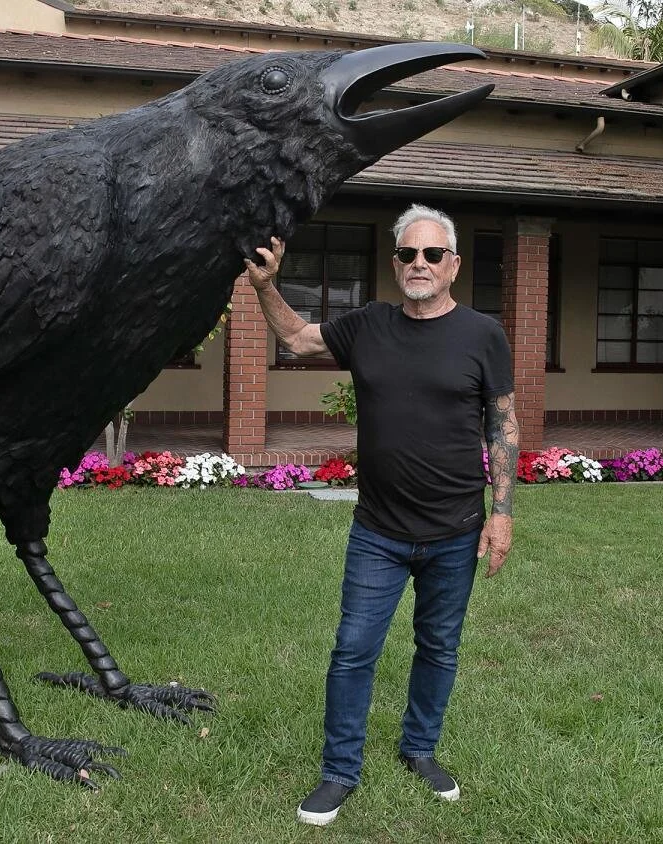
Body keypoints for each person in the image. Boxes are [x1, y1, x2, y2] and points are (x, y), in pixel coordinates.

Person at [241, 204, 519, 827]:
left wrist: (501, 513)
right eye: (407, 255)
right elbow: (295, 337)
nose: (418, 264)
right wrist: (264, 287)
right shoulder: (370, 325)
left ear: (453, 265)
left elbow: (502, 425)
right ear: (396, 264)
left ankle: (420, 750)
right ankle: (340, 770)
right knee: (353, 650)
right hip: (378, 532)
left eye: (431, 254)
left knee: (439, 648)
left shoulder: (483, 335)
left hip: (455, 530)